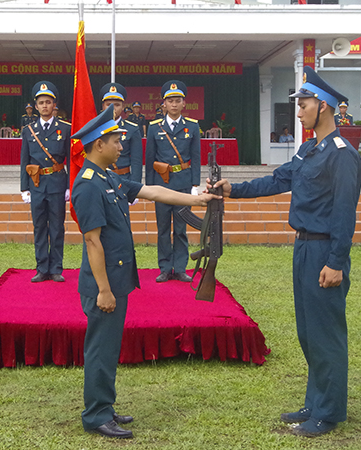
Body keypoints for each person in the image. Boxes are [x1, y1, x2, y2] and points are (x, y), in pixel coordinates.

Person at [212, 67, 361, 438]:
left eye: (304, 104)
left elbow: (345, 213)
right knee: (309, 333)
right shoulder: (310, 149)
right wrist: (233, 189)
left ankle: (328, 413)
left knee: (326, 333)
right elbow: (279, 180)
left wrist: (336, 262)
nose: (298, 111)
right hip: (303, 247)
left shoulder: (342, 155)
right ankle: (315, 401)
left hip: (324, 248)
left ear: (323, 107)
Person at [70, 104, 218, 440]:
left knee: (108, 348)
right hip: (103, 283)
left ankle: (104, 407)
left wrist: (195, 200)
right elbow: (93, 242)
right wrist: (104, 290)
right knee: (100, 349)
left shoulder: (108, 176)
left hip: (117, 278)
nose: (122, 147)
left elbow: (151, 191)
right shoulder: (88, 185)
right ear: (98, 145)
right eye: (115, 142)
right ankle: (95, 415)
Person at [145, 80, 201, 283]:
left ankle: (180, 268)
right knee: (162, 229)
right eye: (170, 101)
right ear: (164, 104)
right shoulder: (154, 127)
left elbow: (196, 156)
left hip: (183, 184)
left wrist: (195, 184)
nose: (174, 104)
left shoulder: (192, 127)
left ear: (183, 103)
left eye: (178, 101)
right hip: (161, 184)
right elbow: (149, 158)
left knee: (181, 229)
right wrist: (149, 187)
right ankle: (164, 268)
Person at [20, 81, 71, 283]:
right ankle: (42, 267)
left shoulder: (65, 129)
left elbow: (69, 158)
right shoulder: (28, 130)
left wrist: (69, 185)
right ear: (36, 105)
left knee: (57, 227)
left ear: (54, 105)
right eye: (41, 102)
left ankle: (56, 267)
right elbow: (25, 161)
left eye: (48, 102)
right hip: (37, 184)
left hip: (58, 183)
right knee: (39, 226)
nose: (44, 106)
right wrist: (24, 188)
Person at [99, 82, 143, 183]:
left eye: (117, 105)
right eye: (108, 105)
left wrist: (135, 188)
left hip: (123, 179)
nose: (112, 108)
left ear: (123, 107)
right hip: (100, 180)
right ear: (103, 106)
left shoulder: (132, 129)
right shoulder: (95, 128)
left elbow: (136, 162)